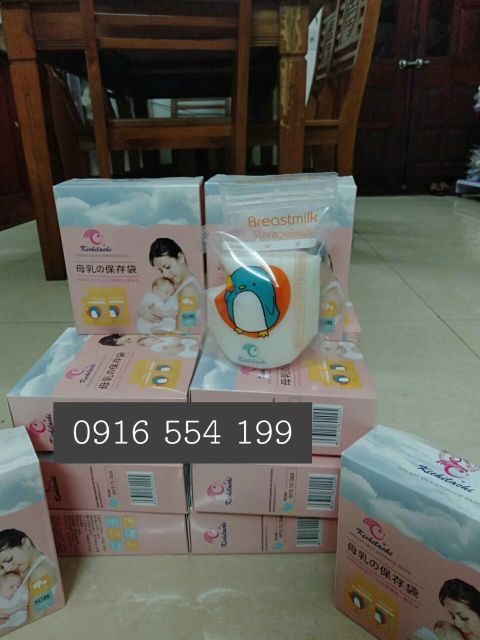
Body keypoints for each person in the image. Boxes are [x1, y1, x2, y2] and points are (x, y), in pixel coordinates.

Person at [137, 238, 200, 332]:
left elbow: (184, 330)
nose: (165, 274)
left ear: (180, 258)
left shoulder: (189, 290)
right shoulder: (175, 284)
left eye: (167, 267)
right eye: (161, 271)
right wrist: (141, 309)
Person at [0, 529, 58, 628]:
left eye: (8, 559)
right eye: (2, 566)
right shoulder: (23, 571)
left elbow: (36, 620)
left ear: (25, 543)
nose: (7, 568)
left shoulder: (41, 572)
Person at [98, 334, 197, 358]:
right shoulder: (145, 343)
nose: (131, 341)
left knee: (171, 346)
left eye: (128, 339)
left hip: (171, 340)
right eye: (129, 342)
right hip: (169, 345)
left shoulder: (141, 333)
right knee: (167, 352)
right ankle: (182, 347)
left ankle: (182, 346)